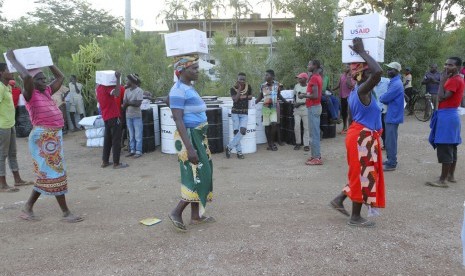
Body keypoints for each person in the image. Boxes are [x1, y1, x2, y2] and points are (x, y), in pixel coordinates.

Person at [6, 51, 83, 222]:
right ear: (31, 83)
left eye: (44, 78)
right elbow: (25, 76)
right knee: (54, 172)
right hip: (43, 137)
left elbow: (60, 76)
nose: (44, 81)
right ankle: (65, 213)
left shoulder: (46, 91)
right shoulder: (30, 95)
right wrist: (13, 60)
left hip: (52, 137)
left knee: (47, 173)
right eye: (39, 79)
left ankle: (27, 208)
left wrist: (47, 60)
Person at [330, 37, 385, 228]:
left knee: (359, 172)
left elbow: (354, 119)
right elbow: (378, 72)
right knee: (362, 174)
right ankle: (355, 217)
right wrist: (362, 52)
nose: (373, 70)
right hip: (362, 137)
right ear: (365, 73)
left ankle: (339, 200)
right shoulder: (362, 91)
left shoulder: (356, 91)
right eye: (369, 68)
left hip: (359, 135)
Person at [168, 55, 215, 232]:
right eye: (194, 68)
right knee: (199, 174)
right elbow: (178, 119)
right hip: (190, 137)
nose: (197, 71)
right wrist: (190, 148)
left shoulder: (188, 88)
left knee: (201, 172)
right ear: (182, 70)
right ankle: (176, 212)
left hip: (199, 136)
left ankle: (196, 216)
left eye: (197, 67)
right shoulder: (178, 90)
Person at [426, 57, 465, 188]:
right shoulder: (457, 79)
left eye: (451, 65)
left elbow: (442, 97)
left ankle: (442, 180)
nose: (447, 67)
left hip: (447, 116)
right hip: (450, 115)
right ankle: (450, 175)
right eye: (446, 64)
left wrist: (442, 81)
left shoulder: (454, 80)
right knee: (452, 147)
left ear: (458, 67)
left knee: (445, 147)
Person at [0, 63, 33, 193]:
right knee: (2, 155)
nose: (11, 71)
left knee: (12, 153)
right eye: (8, 69)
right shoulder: (1, 88)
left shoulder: (6, 86)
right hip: (2, 125)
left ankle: (17, 179)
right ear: (1, 73)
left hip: (10, 124)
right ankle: (2, 184)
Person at [96, 72, 129, 169]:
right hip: (113, 116)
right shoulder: (107, 88)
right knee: (116, 140)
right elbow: (117, 94)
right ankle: (116, 163)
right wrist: (118, 78)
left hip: (106, 116)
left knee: (107, 140)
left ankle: (105, 161)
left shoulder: (99, 87)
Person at [380, 62, 404, 171]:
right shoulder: (395, 82)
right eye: (388, 69)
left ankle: (392, 163)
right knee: (390, 139)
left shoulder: (396, 84)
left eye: (391, 69)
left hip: (392, 115)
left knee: (391, 140)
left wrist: (381, 97)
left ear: (397, 71)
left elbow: (385, 98)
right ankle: (390, 159)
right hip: (392, 114)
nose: (389, 71)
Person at [299, 60, 323, 165]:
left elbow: (315, 95)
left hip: (313, 107)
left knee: (314, 134)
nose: (308, 66)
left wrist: (303, 96)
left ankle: (316, 158)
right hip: (314, 107)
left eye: (309, 64)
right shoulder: (316, 77)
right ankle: (315, 155)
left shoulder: (314, 78)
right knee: (314, 133)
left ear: (315, 66)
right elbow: (313, 93)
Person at [255, 69, 286, 151]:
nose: (265, 76)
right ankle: (270, 144)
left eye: (267, 75)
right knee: (267, 126)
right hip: (265, 107)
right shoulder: (262, 85)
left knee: (274, 124)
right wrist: (253, 103)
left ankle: (271, 142)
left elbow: (279, 95)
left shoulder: (277, 84)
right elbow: (260, 96)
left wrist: (286, 101)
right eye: (265, 75)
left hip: (274, 107)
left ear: (272, 76)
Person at [225, 72, 252, 159]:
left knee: (243, 131)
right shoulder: (233, 88)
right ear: (237, 79)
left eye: (244, 79)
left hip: (244, 113)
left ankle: (229, 146)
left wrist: (243, 96)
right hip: (235, 112)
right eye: (240, 79)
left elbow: (251, 96)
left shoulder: (248, 87)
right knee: (236, 132)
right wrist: (239, 90)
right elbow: (235, 99)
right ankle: (239, 152)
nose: (242, 81)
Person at [123, 74, 144, 158]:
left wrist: (128, 103)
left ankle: (138, 151)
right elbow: (125, 103)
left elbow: (138, 104)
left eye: (127, 80)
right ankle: (132, 150)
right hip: (128, 115)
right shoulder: (126, 91)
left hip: (136, 116)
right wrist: (130, 102)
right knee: (131, 134)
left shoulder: (139, 90)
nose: (126, 82)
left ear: (131, 81)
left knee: (138, 135)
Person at [333, 64, 355, 134]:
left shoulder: (352, 76)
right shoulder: (342, 76)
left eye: (348, 67)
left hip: (350, 97)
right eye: (345, 67)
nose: (346, 68)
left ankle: (350, 128)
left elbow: (351, 86)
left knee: (349, 112)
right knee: (344, 113)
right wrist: (332, 89)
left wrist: (349, 77)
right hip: (342, 97)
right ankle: (344, 127)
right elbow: (339, 85)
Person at [293, 72, 310, 151]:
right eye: (298, 78)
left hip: (306, 108)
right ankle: (298, 143)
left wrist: (300, 103)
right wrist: (294, 102)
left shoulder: (309, 87)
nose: (299, 79)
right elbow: (294, 96)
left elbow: (310, 99)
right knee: (297, 126)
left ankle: (306, 144)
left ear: (305, 79)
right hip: (297, 109)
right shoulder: (296, 86)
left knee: (306, 127)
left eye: (300, 78)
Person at [373, 77, 390, 149]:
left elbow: (393, 91)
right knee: (375, 128)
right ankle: (374, 144)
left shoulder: (387, 81)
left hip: (384, 109)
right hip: (375, 110)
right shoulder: (370, 83)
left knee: (384, 127)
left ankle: (386, 144)